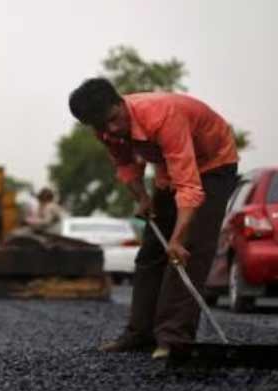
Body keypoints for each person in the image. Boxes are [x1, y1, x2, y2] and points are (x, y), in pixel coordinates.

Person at [69, 78, 238, 359]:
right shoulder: (105, 129)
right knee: (151, 252)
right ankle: (140, 333)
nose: (112, 130)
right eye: (101, 126)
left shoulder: (163, 116)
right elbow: (125, 165)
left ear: (120, 102)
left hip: (213, 164)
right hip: (169, 167)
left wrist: (178, 239)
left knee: (187, 250)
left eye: (114, 119)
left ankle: (173, 338)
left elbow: (189, 187)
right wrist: (143, 199)